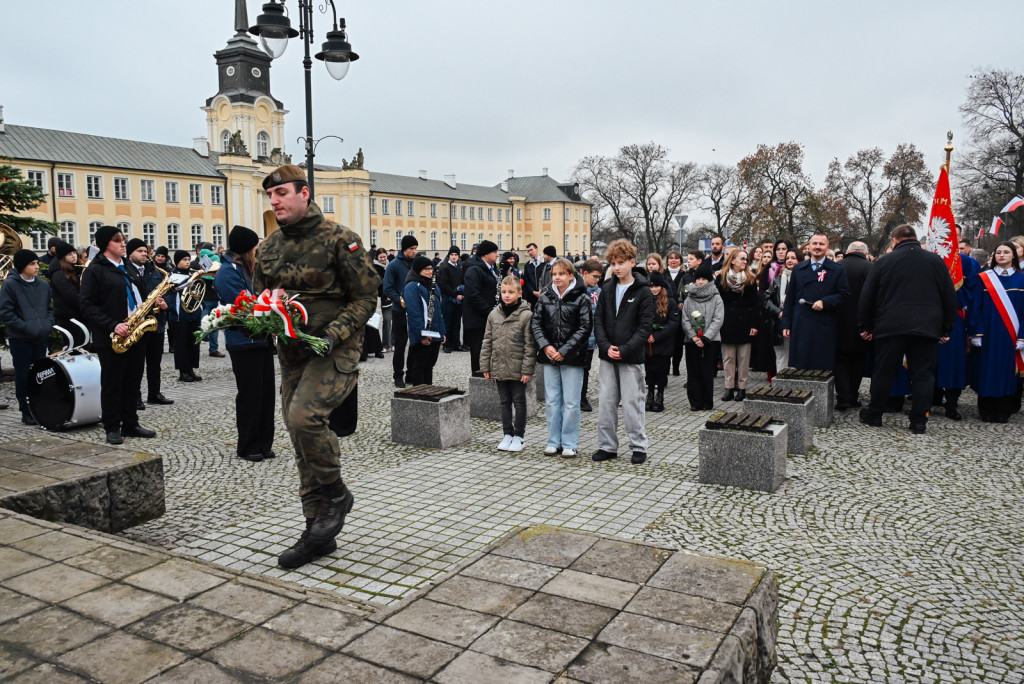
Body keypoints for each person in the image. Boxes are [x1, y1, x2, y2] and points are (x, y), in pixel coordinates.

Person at [253, 164, 379, 569]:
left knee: (305, 418)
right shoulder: (269, 247)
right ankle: (317, 531)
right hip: (291, 352)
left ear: (304, 193)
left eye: (282, 193)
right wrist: (257, 319)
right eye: (270, 196)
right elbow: (261, 299)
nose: (274, 201)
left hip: (333, 349)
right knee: (296, 432)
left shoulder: (341, 239)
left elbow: (366, 298)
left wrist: (334, 334)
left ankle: (337, 494)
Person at [858, 225, 958, 433]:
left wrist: (866, 326)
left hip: (890, 325)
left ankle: (875, 414)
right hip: (926, 327)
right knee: (923, 375)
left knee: (884, 372)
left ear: (894, 241)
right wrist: (946, 329)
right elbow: (949, 297)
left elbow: (867, 297)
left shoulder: (884, 261)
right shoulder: (936, 261)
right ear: (914, 238)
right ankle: (919, 420)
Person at [79, 226, 161, 444]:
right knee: (113, 382)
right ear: (106, 244)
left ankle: (130, 423)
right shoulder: (95, 270)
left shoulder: (127, 267)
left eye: (123, 240)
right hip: (112, 336)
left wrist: (154, 305)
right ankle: (112, 427)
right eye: (118, 241)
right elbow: (87, 305)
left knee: (132, 381)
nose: (123, 244)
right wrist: (112, 325)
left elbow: (140, 296)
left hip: (136, 332)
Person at [214, 225, 275, 462]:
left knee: (266, 394)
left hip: (260, 339)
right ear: (246, 249)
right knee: (250, 395)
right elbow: (244, 305)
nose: (257, 251)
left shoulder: (248, 268)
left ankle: (264, 442)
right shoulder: (228, 272)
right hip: (243, 340)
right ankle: (248, 445)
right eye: (255, 248)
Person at [593, 239, 654, 465]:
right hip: (608, 356)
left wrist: (625, 349)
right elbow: (598, 320)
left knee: (632, 403)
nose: (617, 267)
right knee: (606, 403)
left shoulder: (643, 292)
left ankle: (638, 446)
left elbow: (644, 327)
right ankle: (607, 446)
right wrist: (606, 346)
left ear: (632, 262)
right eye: (613, 263)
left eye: (621, 263)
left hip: (631, 357)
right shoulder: (607, 288)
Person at [532, 258, 592, 458]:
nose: (557, 277)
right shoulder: (545, 297)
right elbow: (536, 324)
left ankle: (569, 442)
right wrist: (545, 345)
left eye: (561, 274)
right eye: (554, 274)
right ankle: (553, 441)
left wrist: (565, 350)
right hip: (549, 355)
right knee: (552, 400)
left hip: (572, 356)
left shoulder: (581, 298)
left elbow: (585, 328)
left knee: (571, 402)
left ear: (570, 275)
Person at [969, 242, 1024, 423]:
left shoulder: (1022, 279)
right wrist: (976, 333)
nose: (1001, 255)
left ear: (1014, 256)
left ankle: (1003, 410)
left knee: (1007, 371)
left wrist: (1022, 336)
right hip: (989, 334)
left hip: (1011, 335)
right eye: (998, 252)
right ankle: (986, 409)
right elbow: (975, 306)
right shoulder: (984, 278)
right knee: (987, 370)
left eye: (1006, 252)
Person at [481, 275, 537, 452]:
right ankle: (507, 434)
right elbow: (487, 341)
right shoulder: (493, 314)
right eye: (504, 292)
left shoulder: (526, 315)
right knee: (504, 401)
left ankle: (519, 436)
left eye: (511, 292)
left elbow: (530, 345)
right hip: (498, 365)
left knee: (519, 401)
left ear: (519, 293)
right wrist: (485, 366)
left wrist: (527, 370)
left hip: (518, 367)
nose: (507, 295)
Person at [781, 232, 850, 371]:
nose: (817, 247)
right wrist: (786, 324)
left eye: (821, 244)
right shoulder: (798, 269)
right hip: (801, 324)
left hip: (824, 325)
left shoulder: (837, 269)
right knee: (801, 365)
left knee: (822, 366)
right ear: (809, 246)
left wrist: (825, 302)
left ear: (827, 247)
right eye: (815, 243)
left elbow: (844, 295)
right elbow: (790, 298)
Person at [0, 249, 54, 425]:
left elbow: (49, 309)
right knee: (23, 374)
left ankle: (40, 406)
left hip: (40, 336)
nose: (36, 266)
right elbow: (6, 313)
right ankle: (25, 409)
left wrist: (46, 325)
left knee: (40, 373)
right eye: (32, 264)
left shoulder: (43, 285)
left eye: (37, 263)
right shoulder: (10, 285)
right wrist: (25, 327)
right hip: (20, 338)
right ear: (23, 266)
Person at [833, 241, 873, 410]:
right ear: (866, 253)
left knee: (840, 361)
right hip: (862, 324)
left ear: (848, 251)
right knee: (858, 361)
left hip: (838, 323)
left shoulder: (837, 266)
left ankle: (842, 398)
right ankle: (853, 395)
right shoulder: (870, 268)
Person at [715, 248, 759, 401]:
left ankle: (742, 388)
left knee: (743, 358)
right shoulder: (721, 278)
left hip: (745, 323)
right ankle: (728, 388)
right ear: (732, 260)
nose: (745, 262)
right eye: (742, 259)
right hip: (727, 322)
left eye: (746, 259)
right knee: (728, 358)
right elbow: (717, 302)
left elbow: (755, 304)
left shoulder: (750, 279)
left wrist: (754, 324)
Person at [681, 263, 724, 411]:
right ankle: (695, 402)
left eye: (704, 279)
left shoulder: (716, 297)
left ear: (709, 280)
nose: (700, 281)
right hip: (692, 341)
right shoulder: (689, 297)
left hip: (710, 341)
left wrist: (706, 337)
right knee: (693, 372)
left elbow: (718, 319)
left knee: (706, 372)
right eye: (698, 278)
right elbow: (685, 318)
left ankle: (707, 401)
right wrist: (693, 336)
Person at [138, 243, 173, 406]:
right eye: (140, 251)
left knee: (155, 362)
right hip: (139, 322)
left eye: (146, 251)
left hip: (157, 322)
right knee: (136, 364)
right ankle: (135, 396)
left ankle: (154, 393)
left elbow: (169, 293)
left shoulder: (159, 272)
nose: (144, 254)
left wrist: (166, 303)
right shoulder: (131, 272)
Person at [403, 256, 446, 385]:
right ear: (418, 270)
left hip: (435, 333)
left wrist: (442, 332)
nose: (430, 272)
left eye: (431, 268)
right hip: (423, 335)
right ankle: (419, 397)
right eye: (426, 269)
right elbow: (414, 314)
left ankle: (428, 394)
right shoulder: (412, 286)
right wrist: (421, 335)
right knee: (419, 367)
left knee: (429, 366)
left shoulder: (433, 286)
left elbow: (439, 312)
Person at [382, 234, 417, 387]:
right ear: (404, 249)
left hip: (415, 311)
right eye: (411, 249)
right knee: (400, 344)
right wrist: (400, 300)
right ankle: (398, 375)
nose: (414, 251)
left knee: (415, 344)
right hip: (399, 310)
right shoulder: (393, 265)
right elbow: (387, 288)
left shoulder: (416, 263)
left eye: (415, 248)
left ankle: (411, 373)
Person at [462, 240, 501, 376]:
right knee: (478, 351)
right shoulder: (474, 269)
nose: (497, 255)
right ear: (485, 254)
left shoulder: (489, 268)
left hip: (487, 318)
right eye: (494, 252)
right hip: (477, 320)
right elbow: (473, 295)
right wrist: (490, 311)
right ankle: (478, 379)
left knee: (487, 350)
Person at [644, 271, 680, 412]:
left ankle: (660, 395)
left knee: (662, 371)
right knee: (649, 371)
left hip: (663, 343)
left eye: (656, 286)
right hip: (648, 343)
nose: (654, 289)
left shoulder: (670, 302)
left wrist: (657, 336)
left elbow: (673, 323)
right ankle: (650, 394)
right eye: (651, 286)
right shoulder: (645, 301)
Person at [166, 250, 203, 382]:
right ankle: (183, 371)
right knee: (181, 344)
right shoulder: (172, 276)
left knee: (193, 343)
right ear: (177, 262)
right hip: (179, 315)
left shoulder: (193, 274)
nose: (187, 262)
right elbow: (168, 295)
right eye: (184, 260)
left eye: (188, 259)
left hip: (194, 313)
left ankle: (191, 369)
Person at [765, 249, 800, 373]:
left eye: (793, 258)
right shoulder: (778, 280)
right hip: (779, 323)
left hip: (798, 322)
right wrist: (778, 312)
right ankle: (781, 386)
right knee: (781, 357)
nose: (790, 260)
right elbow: (766, 299)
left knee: (797, 357)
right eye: (787, 258)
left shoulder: (803, 279)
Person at [48, 240, 85, 347]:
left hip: (78, 315)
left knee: (82, 345)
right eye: (69, 254)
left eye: (74, 253)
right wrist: (86, 305)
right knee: (74, 346)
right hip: (69, 317)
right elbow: (71, 295)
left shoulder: (75, 269)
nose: (74, 256)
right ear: (63, 258)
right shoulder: (59, 274)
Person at [579, 259, 604, 412]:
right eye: (595, 277)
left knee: (585, 369)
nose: (597, 280)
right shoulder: (576, 289)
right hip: (576, 338)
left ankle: (582, 397)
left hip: (590, 338)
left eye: (599, 278)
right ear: (585, 274)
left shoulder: (597, 292)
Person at [436, 246, 464, 353]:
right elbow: (444, 285)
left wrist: (461, 293)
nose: (454, 257)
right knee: (447, 322)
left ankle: (456, 343)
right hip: (448, 298)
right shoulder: (445, 268)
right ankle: (446, 344)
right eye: (452, 255)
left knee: (456, 322)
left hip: (459, 298)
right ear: (449, 256)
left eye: (456, 255)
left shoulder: (459, 268)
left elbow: (462, 282)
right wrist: (454, 295)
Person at [373, 249, 392, 352]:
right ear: (377, 257)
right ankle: (386, 344)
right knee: (387, 320)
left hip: (394, 296)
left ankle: (393, 342)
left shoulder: (390, 265)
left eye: (384, 257)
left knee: (396, 321)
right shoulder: (375, 267)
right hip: (384, 297)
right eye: (381, 257)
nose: (383, 259)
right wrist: (385, 294)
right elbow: (378, 284)